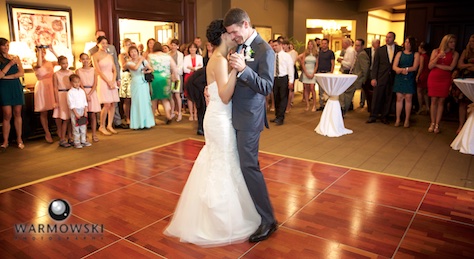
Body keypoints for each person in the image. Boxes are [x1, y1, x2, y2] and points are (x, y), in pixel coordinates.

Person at [164, 19, 260, 246]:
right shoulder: (218, 60)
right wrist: (239, 69)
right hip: (219, 118)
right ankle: (219, 221)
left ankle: (219, 215)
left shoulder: (219, 59)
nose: (233, 36)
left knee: (223, 162)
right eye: (230, 33)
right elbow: (226, 95)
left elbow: (218, 90)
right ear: (223, 36)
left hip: (218, 116)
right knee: (223, 163)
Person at [225, 8, 277, 242]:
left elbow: (266, 87)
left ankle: (268, 220)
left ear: (245, 25)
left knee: (249, 166)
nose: (233, 37)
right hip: (233, 113)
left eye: (234, 32)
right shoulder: (239, 47)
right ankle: (247, 212)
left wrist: (244, 70)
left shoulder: (265, 50)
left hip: (250, 117)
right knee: (238, 165)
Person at [367, 32, 402, 124]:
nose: (387, 39)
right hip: (381, 77)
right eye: (386, 37)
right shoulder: (380, 50)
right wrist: (373, 78)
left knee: (388, 97)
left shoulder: (399, 50)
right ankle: (373, 115)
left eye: (389, 37)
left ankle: (384, 116)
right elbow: (375, 65)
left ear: (393, 38)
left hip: (393, 77)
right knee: (377, 96)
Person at [427, 34, 459, 134]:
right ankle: (432, 123)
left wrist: (437, 65)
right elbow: (430, 66)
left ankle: (437, 124)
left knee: (441, 101)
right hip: (434, 77)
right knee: (433, 100)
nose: (453, 44)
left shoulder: (455, 54)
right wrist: (437, 58)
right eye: (451, 42)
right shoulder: (435, 51)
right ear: (446, 42)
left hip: (445, 78)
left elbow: (450, 68)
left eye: (454, 42)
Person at [92, 36, 120, 136]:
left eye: (106, 43)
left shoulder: (110, 55)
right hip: (103, 80)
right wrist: (108, 81)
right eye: (102, 43)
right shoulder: (95, 56)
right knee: (106, 104)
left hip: (111, 78)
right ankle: (102, 125)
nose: (105, 45)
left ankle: (109, 125)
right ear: (98, 44)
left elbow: (114, 69)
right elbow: (98, 71)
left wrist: (113, 80)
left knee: (113, 103)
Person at [0, 38, 25, 151]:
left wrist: (8, 77)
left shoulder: (15, 57)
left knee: (17, 112)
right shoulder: (5, 60)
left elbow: (21, 73)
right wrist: (10, 64)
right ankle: (5, 141)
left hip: (15, 86)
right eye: (4, 45)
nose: (6, 47)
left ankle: (19, 139)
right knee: (7, 114)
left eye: (7, 45)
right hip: (4, 88)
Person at [392, 36, 420, 128]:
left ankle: (407, 120)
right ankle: (398, 119)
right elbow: (394, 66)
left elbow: (415, 67)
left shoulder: (415, 54)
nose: (407, 44)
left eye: (409, 42)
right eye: (406, 42)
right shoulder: (400, 53)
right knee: (399, 98)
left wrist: (406, 69)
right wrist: (399, 70)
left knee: (408, 98)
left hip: (409, 77)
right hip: (400, 77)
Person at [148, 42, 178, 124]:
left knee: (154, 99)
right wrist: (174, 76)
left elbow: (147, 66)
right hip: (165, 78)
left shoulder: (150, 56)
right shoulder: (167, 56)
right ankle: (168, 115)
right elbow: (174, 67)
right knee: (165, 98)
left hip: (155, 78)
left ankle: (152, 118)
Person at [33, 45, 57, 143]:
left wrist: (53, 50)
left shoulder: (50, 63)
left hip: (51, 85)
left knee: (56, 109)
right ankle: (47, 133)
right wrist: (39, 51)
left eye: (43, 52)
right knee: (44, 111)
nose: (42, 54)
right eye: (40, 52)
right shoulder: (34, 63)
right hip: (42, 87)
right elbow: (39, 64)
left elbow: (61, 61)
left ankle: (59, 130)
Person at [127, 46, 155, 129]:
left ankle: (147, 123)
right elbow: (135, 68)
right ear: (129, 54)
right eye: (131, 52)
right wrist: (140, 60)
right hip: (135, 82)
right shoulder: (129, 63)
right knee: (137, 102)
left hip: (144, 82)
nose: (133, 53)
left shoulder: (144, 61)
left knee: (145, 101)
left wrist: (146, 70)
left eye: (135, 51)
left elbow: (152, 69)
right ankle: (137, 123)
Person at [340, 39, 370, 116]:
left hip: (357, 79)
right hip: (354, 77)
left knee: (346, 93)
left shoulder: (362, 55)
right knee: (345, 92)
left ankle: (343, 110)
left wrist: (363, 80)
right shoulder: (358, 54)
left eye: (358, 45)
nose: (356, 47)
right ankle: (343, 109)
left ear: (362, 46)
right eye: (355, 45)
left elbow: (365, 69)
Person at [76, 53, 100, 142]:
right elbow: (79, 83)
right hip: (82, 92)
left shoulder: (93, 70)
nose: (85, 61)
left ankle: (94, 134)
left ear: (89, 59)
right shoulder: (78, 71)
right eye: (83, 59)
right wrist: (85, 94)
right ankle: (84, 134)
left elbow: (95, 83)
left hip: (92, 92)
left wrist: (90, 94)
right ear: (80, 60)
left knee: (93, 114)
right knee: (83, 114)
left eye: (87, 58)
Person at [270, 39, 294, 125]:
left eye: (276, 45)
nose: (274, 47)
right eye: (273, 46)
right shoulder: (272, 56)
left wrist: (291, 81)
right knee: (276, 98)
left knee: (283, 98)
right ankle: (277, 116)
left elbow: (290, 68)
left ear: (280, 45)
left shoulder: (286, 56)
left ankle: (281, 117)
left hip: (284, 78)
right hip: (275, 78)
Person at [53, 56, 73, 148]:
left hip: (70, 94)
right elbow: (55, 87)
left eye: (66, 63)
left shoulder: (71, 73)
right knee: (65, 118)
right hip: (61, 95)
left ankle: (70, 137)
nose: (65, 65)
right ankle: (62, 138)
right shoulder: (56, 74)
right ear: (59, 64)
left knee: (70, 118)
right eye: (63, 63)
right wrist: (56, 100)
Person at [455, 34, 474, 134]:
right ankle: (461, 125)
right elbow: (460, 65)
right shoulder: (465, 52)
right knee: (462, 103)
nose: (471, 43)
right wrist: (469, 65)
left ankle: (469, 127)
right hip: (465, 79)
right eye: (470, 41)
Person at [67, 74, 92, 149]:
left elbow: (84, 101)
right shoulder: (70, 92)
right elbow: (71, 104)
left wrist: (85, 110)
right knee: (76, 127)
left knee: (83, 126)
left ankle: (83, 140)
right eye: (75, 82)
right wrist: (75, 113)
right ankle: (76, 142)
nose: (77, 84)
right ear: (71, 83)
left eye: (78, 82)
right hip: (75, 111)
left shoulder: (81, 91)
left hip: (82, 109)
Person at [183, 43, 203, 121]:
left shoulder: (199, 57)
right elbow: (185, 69)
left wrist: (192, 68)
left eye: (194, 48)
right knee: (189, 96)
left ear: (196, 49)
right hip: (188, 77)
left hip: (197, 77)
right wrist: (195, 68)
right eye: (190, 48)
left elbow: (201, 67)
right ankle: (191, 114)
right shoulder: (186, 58)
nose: (192, 49)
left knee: (196, 96)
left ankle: (196, 114)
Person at [316, 38, 335, 111]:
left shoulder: (331, 53)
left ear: (327, 44)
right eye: (322, 43)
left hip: (327, 73)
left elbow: (332, 63)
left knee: (327, 90)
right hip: (320, 72)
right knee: (320, 90)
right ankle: (321, 105)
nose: (323, 45)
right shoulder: (319, 53)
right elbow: (317, 62)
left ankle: (327, 104)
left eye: (325, 43)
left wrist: (331, 72)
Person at [299, 40, 318, 112]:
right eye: (309, 44)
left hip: (312, 71)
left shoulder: (316, 54)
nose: (310, 46)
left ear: (313, 45)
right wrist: (306, 72)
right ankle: (307, 104)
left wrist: (313, 73)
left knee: (312, 88)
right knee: (306, 88)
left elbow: (316, 65)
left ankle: (314, 105)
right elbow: (303, 63)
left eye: (311, 45)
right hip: (306, 71)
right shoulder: (305, 53)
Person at [168, 39, 184, 122]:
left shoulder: (180, 55)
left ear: (178, 46)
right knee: (170, 95)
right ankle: (172, 111)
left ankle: (180, 112)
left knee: (177, 95)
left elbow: (180, 66)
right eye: (172, 45)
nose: (173, 47)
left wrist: (174, 73)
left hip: (177, 77)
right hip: (169, 77)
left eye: (175, 45)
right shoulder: (167, 54)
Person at [118, 38, 132, 125]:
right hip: (126, 77)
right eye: (127, 45)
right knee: (127, 99)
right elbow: (123, 67)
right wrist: (130, 63)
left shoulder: (134, 54)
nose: (128, 46)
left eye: (130, 44)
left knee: (134, 99)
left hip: (134, 77)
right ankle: (127, 117)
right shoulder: (122, 55)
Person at [415, 41, 431, 116]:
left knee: (419, 91)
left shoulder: (422, 56)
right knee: (425, 92)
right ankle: (428, 107)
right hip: (427, 74)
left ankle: (421, 107)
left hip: (422, 74)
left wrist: (418, 75)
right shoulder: (428, 56)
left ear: (422, 48)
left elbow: (421, 67)